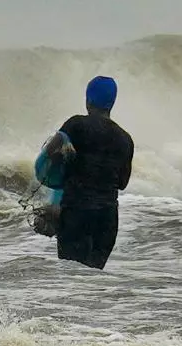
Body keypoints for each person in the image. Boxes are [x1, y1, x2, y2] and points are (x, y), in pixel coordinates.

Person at [44, 75, 133, 270]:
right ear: (112, 103)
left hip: (76, 213)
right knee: (92, 282)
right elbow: (122, 183)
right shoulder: (125, 139)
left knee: (71, 277)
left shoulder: (76, 124)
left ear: (88, 99)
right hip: (107, 220)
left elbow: (50, 153)